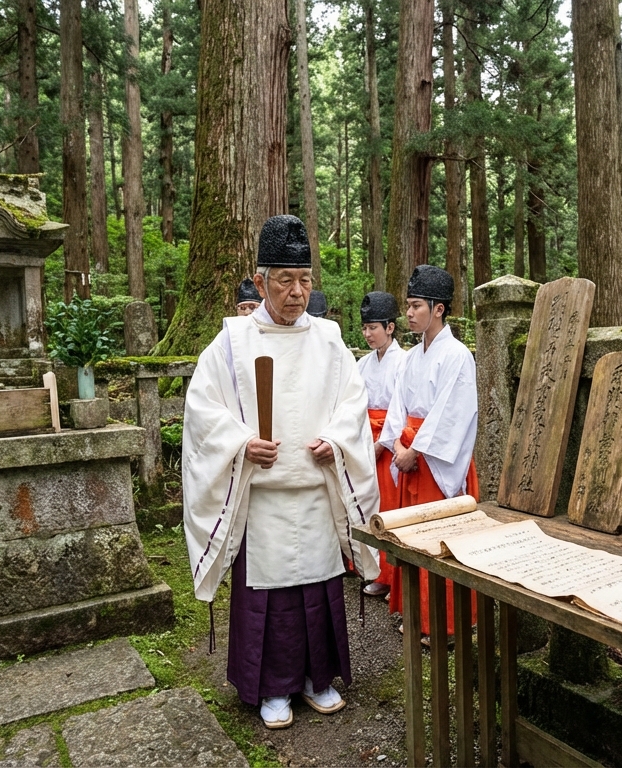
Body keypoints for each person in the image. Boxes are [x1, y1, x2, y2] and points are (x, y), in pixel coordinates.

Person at [183, 214, 381, 731]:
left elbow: (353, 404)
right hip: (264, 501)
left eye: (305, 280)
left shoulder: (331, 340)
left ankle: (319, 680)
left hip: (314, 491)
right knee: (269, 601)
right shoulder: (230, 344)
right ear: (260, 277)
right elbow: (203, 412)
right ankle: (272, 687)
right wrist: (241, 443)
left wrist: (336, 441)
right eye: (285, 280)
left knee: (319, 590)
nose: (297, 293)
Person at [379, 264, 479, 640]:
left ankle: (446, 622)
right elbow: (397, 407)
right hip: (410, 455)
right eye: (407, 305)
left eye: (416, 305)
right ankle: (416, 613)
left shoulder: (457, 355)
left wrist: (416, 451)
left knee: (439, 542)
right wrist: (400, 445)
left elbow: (453, 414)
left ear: (439, 309)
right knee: (412, 540)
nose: (408, 312)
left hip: (437, 463)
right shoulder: (411, 357)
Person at [356, 291, 406, 599]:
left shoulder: (404, 360)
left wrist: (383, 443)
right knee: (368, 505)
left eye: (373, 327)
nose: (367, 333)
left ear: (390, 327)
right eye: (364, 327)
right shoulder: (362, 364)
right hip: (365, 438)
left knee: (390, 508)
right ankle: (374, 571)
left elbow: (401, 406)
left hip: (390, 441)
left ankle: (393, 577)